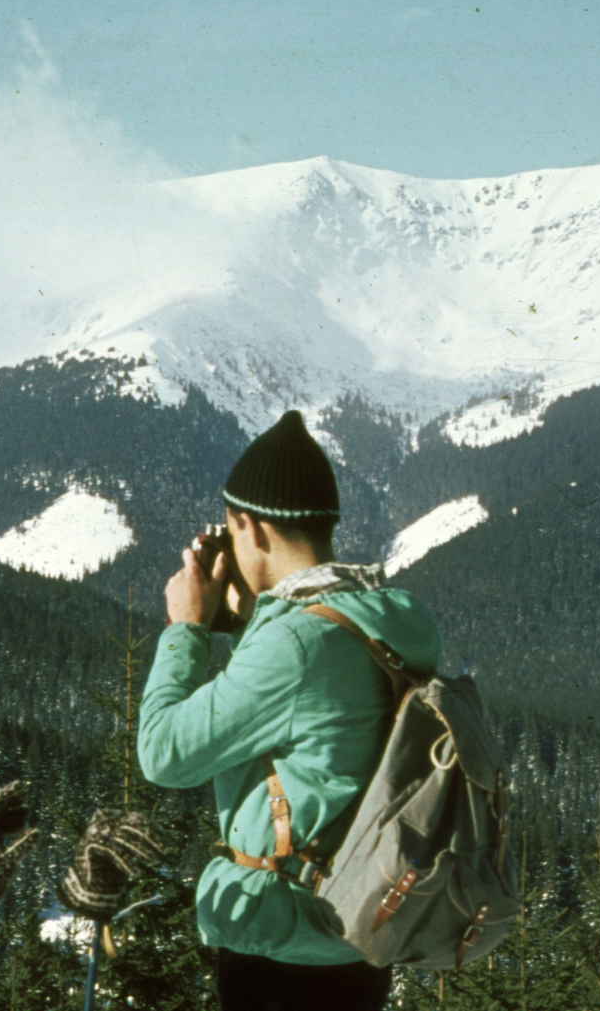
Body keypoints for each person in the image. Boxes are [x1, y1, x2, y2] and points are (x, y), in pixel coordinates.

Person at [137, 410, 442, 1011]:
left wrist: (188, 629)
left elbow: (163, 755)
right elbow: (324, 716)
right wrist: (256, 619)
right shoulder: (391, 619)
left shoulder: (295, 645)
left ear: (249, 526)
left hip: (281, 942)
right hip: (361, 929)